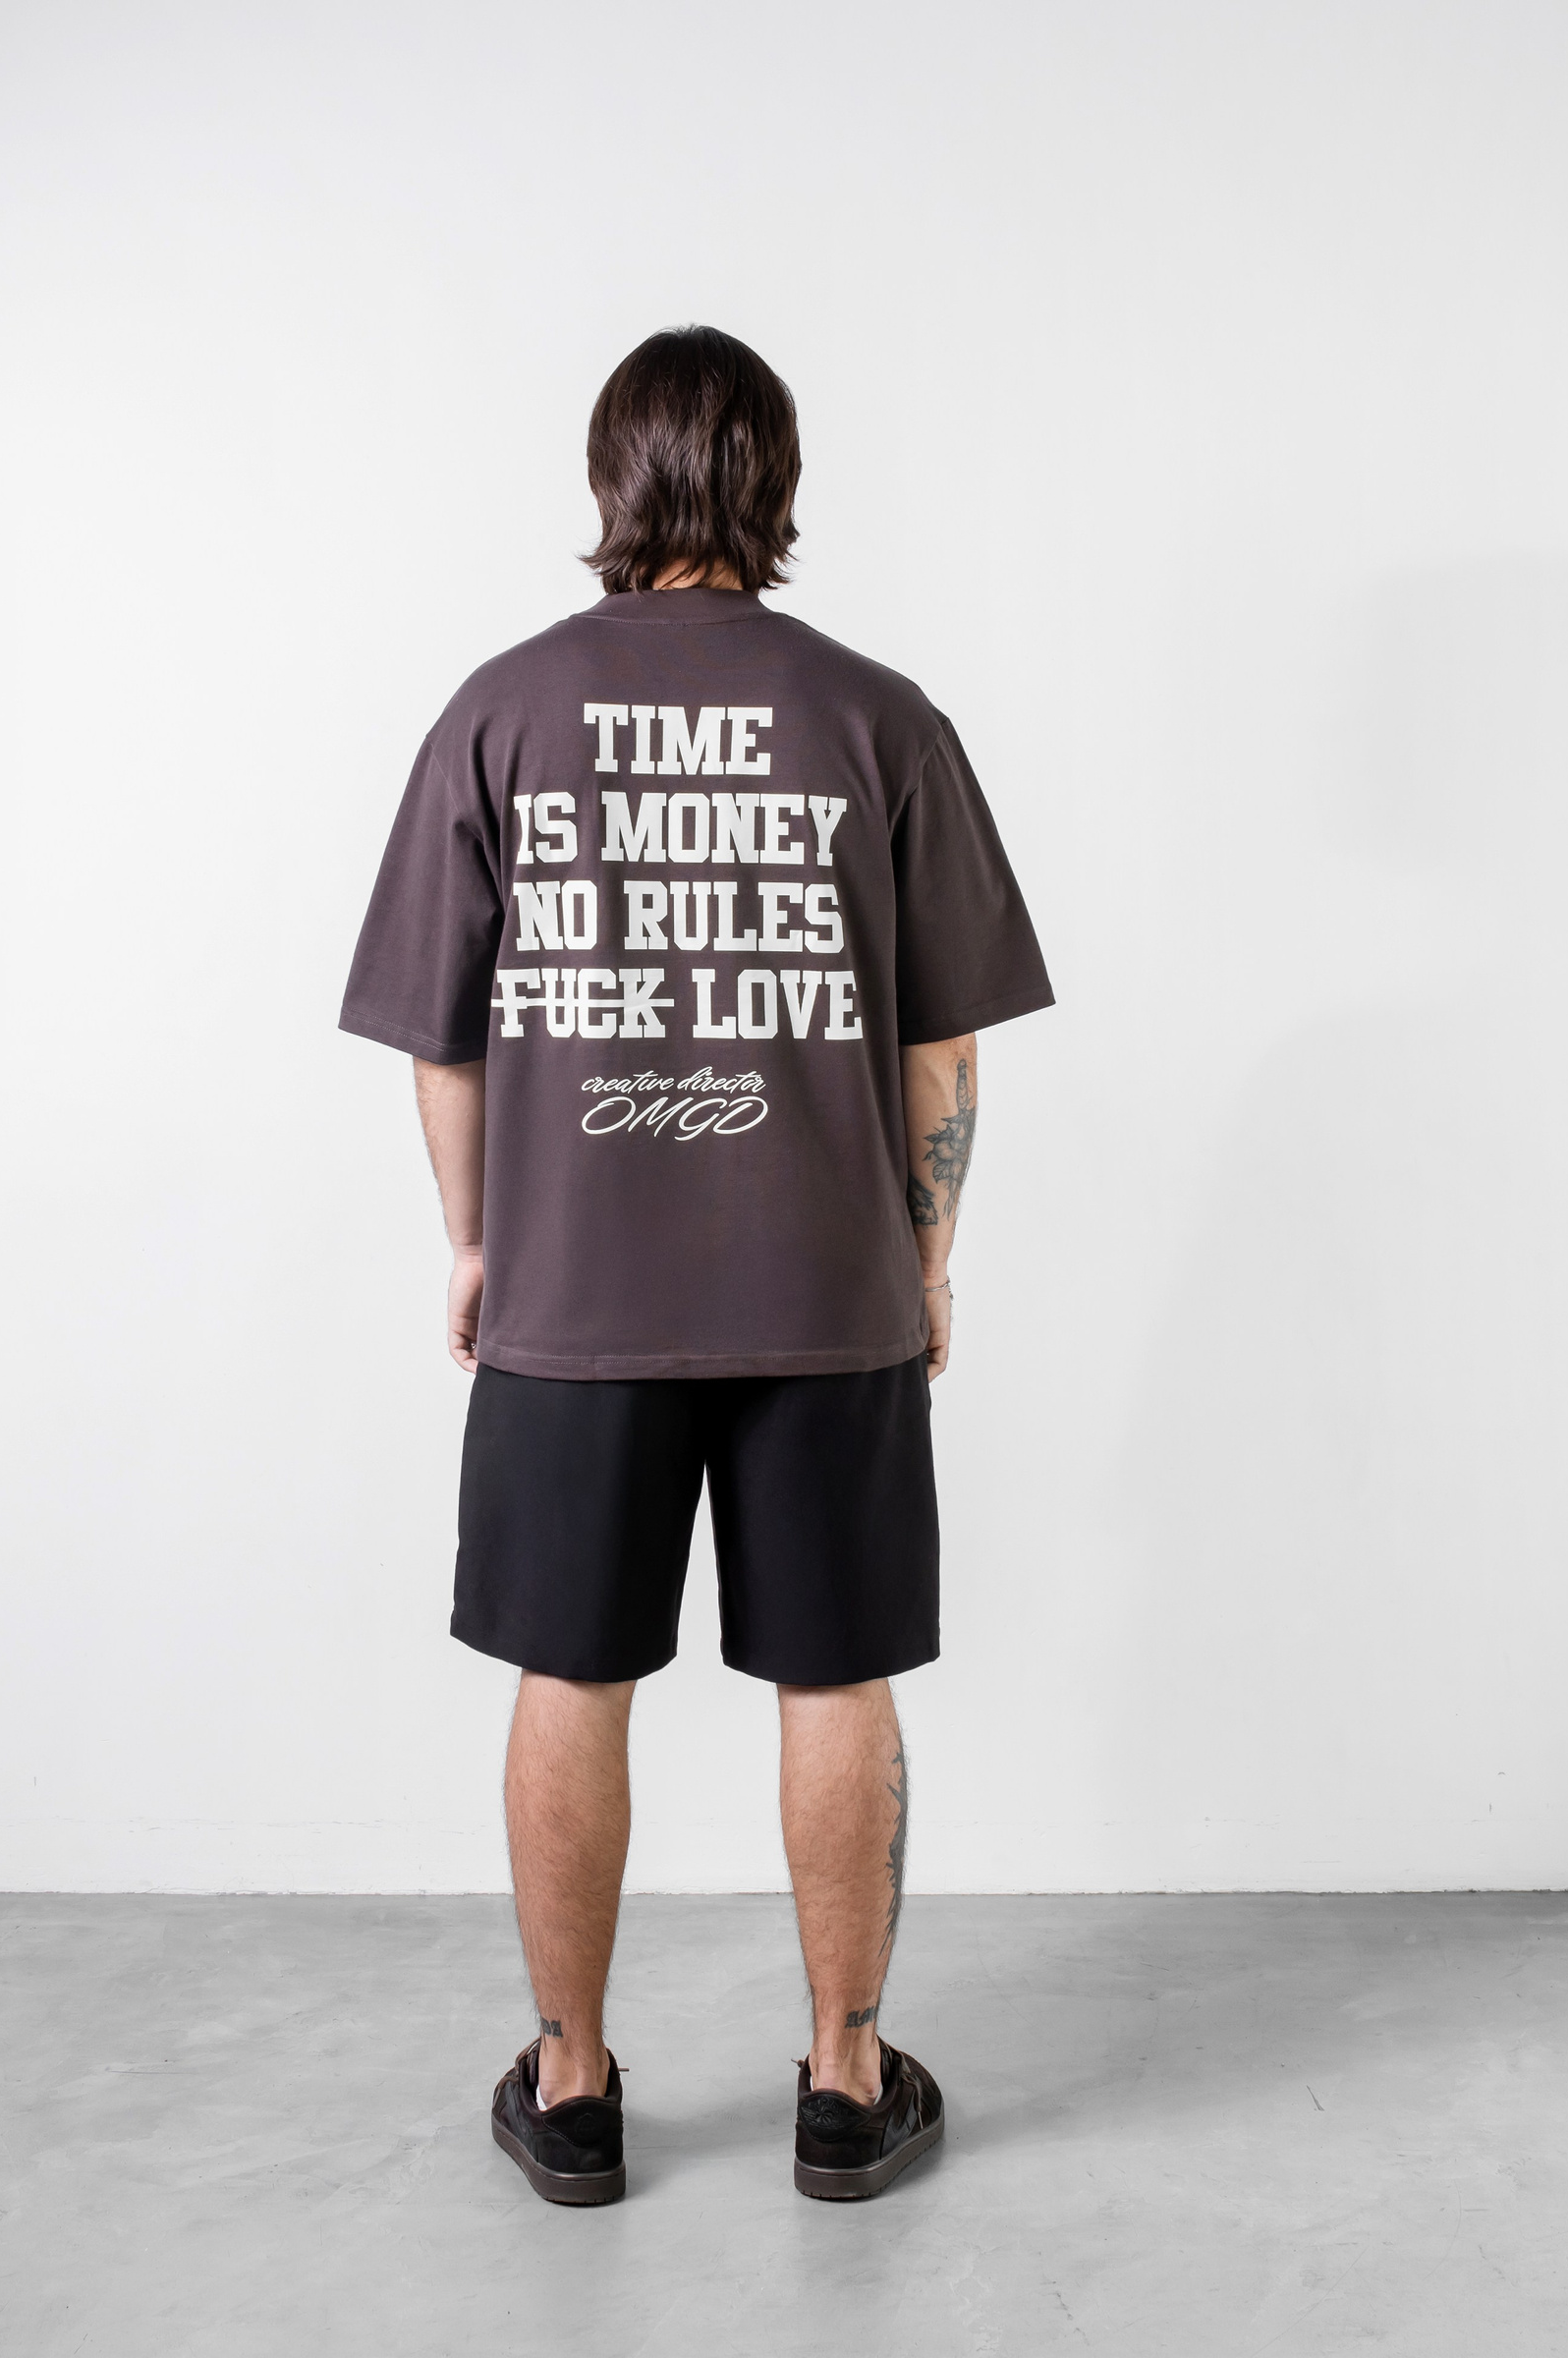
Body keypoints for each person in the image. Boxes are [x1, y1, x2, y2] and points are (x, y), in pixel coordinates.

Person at [339, 325, 1052, 2205]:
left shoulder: (500, 713)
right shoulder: (879, 720)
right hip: (828, 1296)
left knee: (573, 1677)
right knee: (836, 1680)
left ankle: (573, 2088)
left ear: (611, 481)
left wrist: (477, 1243)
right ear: (779, 485)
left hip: (573, 1304)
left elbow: (444, 1047)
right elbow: (942, 1054)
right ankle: (846, 2083)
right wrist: (928, 1259)